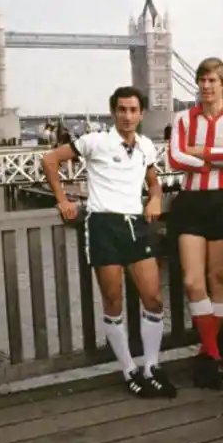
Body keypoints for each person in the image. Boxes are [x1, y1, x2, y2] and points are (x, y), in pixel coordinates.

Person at [41, 86, 177, 399]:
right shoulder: (95, 141)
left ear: (141, 114)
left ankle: (151, 366)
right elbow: (50, 160)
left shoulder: (145, 146)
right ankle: (129, 370)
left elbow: (153, 183)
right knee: (114, 301)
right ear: (113, 112)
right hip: (103, 225)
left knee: (153, 299)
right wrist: (62, 200)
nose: (128, 116)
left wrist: (155, 199)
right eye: (122, 110)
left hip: (135, 225)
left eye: (133, 110)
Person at [167, 57, 223, 390]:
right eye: (202, 79)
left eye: (212, 80)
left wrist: (198, 152)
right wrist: (212, 160)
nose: (205, 85)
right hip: (191, 202)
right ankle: (215, 353)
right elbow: (175, 158)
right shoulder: (183, 118)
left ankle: (207, 351)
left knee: (217, 277)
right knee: (192, 281)